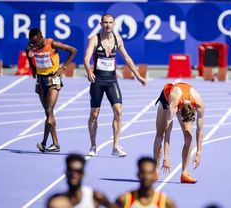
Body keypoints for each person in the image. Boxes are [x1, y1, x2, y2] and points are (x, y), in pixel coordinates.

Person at [83, 14, 147, 157]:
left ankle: (116, 146)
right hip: (97, 80)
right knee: (94, 114)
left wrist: (138, 76)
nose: (108, 25)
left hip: (111, 80)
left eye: (110, 23)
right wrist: (88, 71)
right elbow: (86, 58)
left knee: (118, 111)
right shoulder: (95, 39)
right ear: (101, 24)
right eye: (105, 22)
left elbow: (127, 58)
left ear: (114, 24)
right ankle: (93, 146)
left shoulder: (118, 40)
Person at [26, 28, 77, 152]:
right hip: (40, 80)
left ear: (41, 37)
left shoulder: (52, 43)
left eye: (36, 42)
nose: (34, 45)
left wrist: (63, 67)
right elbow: (28, 53)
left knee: (49, 110)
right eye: (32, 43)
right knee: (48, 113)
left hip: (53, 79)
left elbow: (73, 51)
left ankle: (43, 142)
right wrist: (33, 68)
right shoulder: (31, 46)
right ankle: (55, 144)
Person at [153, 82, 205, 184]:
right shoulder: (173, 106)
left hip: (184, 102)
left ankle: (184, 173)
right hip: (167, 100)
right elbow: (168, 135)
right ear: (179, 112)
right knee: (160, 134)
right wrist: (166, 158)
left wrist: (198, 153)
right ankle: (155, 170)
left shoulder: (199, 104)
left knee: (188, 138)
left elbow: (200, 130)